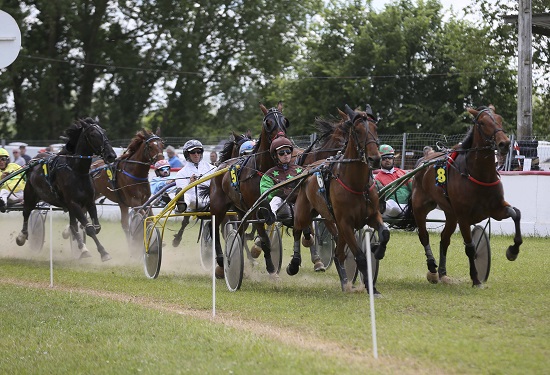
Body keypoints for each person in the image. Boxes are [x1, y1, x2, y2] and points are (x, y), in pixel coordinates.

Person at [259, 137, 303, 225]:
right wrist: (280, 190)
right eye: (282, 153)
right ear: (275, 156)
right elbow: (266, 193)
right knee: (276, 199)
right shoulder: (269, 174)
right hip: (283, 206)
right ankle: (271, 216)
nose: (286, 155)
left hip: (301, 203)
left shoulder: (301, 170)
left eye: (288, 152)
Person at [174, 140, 214, 212]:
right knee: (185, 196)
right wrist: (190, 183)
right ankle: (181, 206)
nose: (196, 154)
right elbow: (182, 191)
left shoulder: (212, 168)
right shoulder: (181, 173)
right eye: (193, 152)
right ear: (187, 154)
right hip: (192, 202)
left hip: (210, 200)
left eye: (199, 152)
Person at [374, 144, 412, 219]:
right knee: (392, 207)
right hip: (392, 207)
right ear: (380, 160)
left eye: (390, 158)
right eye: (384, 158)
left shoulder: (403, 173)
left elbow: (414, 187)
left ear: (393, 159)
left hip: (409, 205)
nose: (387, 160)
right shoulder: (377, 178)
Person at [0, 147, 26, 212]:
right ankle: (3, 206)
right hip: (10, 197)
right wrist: (2, 179)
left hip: (23, 193)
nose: (1, 162)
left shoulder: (14, 166)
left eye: (3, 159)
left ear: (7, 159)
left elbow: (26, 177)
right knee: (3, 191)